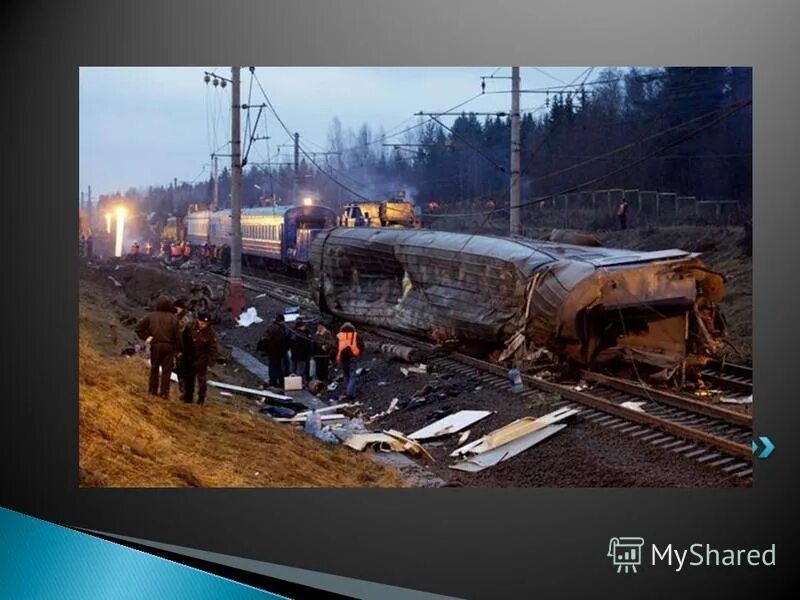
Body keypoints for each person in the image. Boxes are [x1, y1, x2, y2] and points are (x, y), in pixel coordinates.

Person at [135, 296, 181, 399]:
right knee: (166, 371)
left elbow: (138, 328)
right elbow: (177, 336)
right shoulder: (174, 318)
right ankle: (164, 394)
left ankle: (152, 392)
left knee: (154, 369)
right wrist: (178, 349)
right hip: (169, 347)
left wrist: (147, 337)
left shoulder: (151, 316)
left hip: (156, 345)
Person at [183, 312, 218, 404]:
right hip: (190, 356)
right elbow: (184, 339)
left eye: (205, 324)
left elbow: (213, 349)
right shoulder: (190, 326)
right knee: (189, 378)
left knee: (202, 380)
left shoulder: (211, 333)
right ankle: (188, 397)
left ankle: (201, 399)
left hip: (202, 359)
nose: (203, 325)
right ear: (198, 320)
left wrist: (210, 363)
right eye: (202, 323)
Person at [257, 313, 289, 389]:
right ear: (282, 321)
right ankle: (280, 382)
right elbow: (280, 342)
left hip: (271, 352)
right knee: (279, 367)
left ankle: (273, 381)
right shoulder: (278, 329)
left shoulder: (270, 327)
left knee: (272, 367)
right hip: (277, 352)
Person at [173, 298, 196, 401]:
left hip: (186, 347)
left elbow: (181, 330)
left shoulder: (187, 318)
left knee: (185, 370)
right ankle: (183, 391)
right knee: (179, 369)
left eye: (176, 308)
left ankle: (186, 393)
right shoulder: (177, 316)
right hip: (179, 346)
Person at [336, 322, 365, 400]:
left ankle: (347, 391)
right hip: (352, 357)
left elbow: (335, 346)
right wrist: (359, 354)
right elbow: (361, 345)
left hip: (342, 358)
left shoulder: (339, 336)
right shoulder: (355, 336)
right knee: (353, 375)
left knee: (346, 375)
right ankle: (350, 393)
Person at [288, 318, 312, 382]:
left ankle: (292, 382)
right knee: (300, 370)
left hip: (294, 354)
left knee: (293, 369)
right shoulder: (302, 336)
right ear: (301, 326)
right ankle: (298, 383)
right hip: (302, 355)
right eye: (304, 326)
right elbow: (308, 344)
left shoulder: (293, 333)